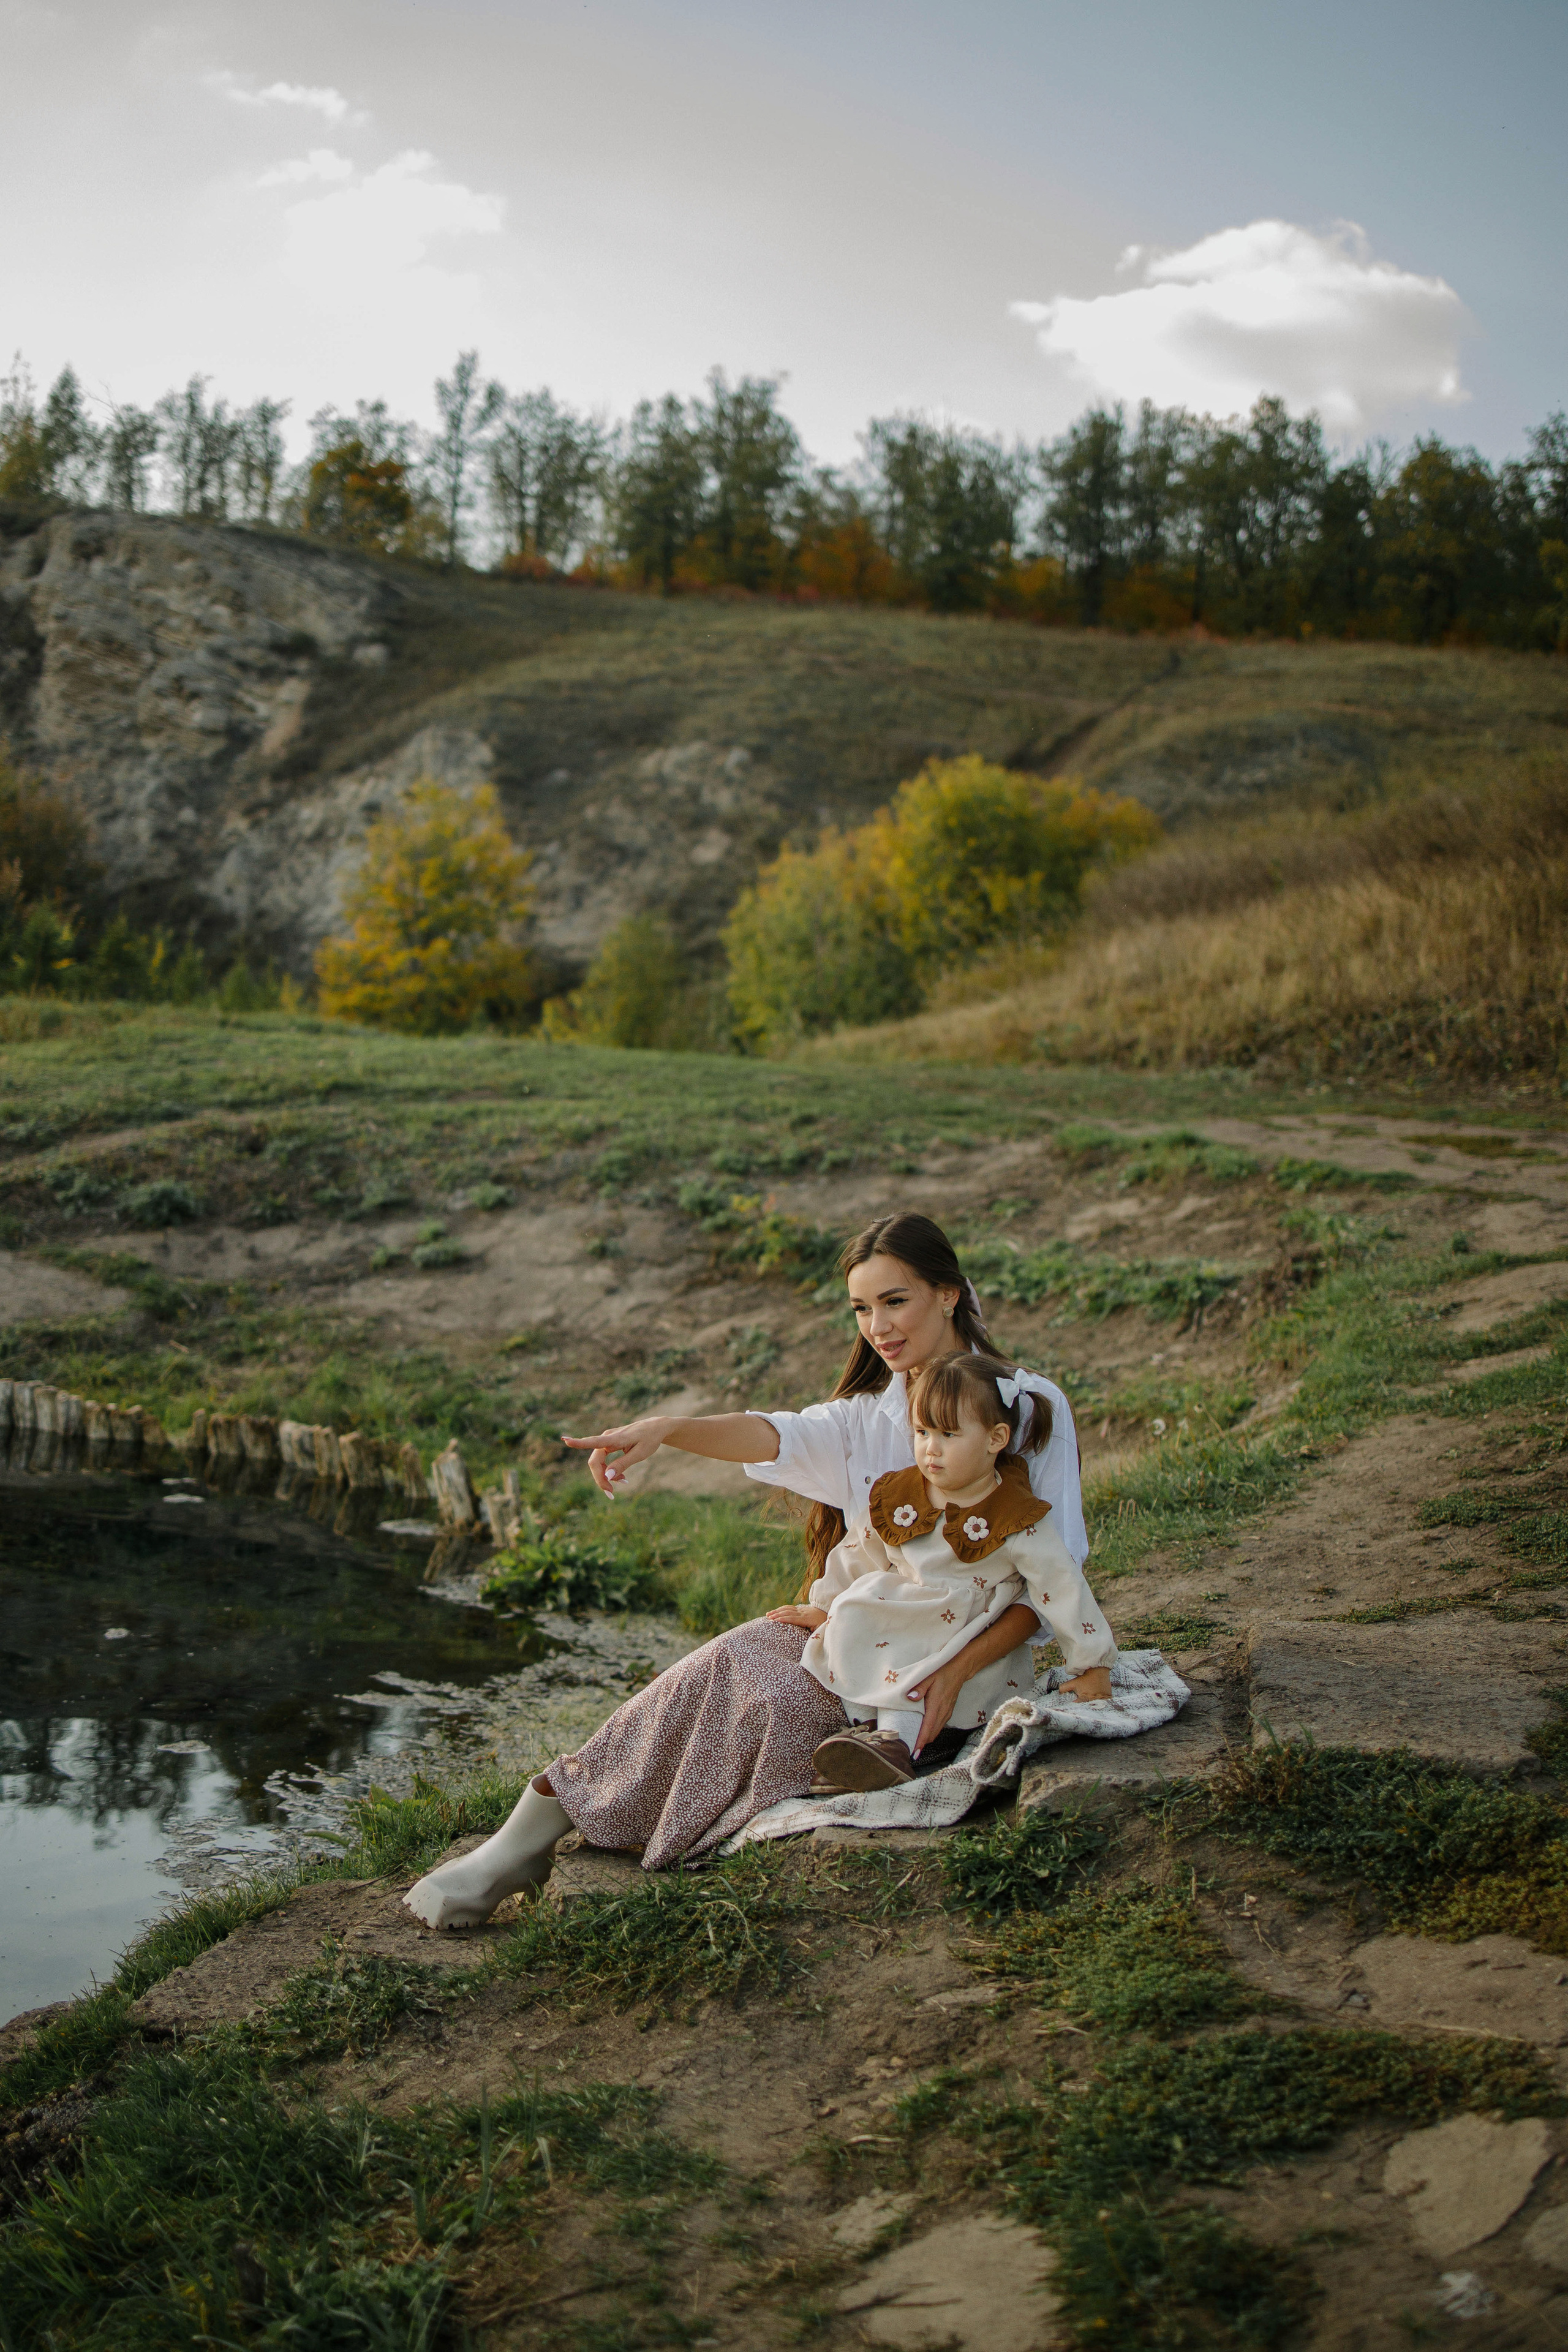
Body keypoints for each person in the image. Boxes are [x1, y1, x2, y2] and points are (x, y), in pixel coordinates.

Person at [402, 1210, 1092, 1931]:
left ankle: (567, 1828)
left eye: (895, 1301)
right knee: (730, 1658)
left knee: (764, 1709)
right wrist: (668, 1430)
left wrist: (952, 1673)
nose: (878, 1327)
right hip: (865, 1641)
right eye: (861, 1308)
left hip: (954, 1667)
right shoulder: (869, 1418)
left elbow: (1053, 1580)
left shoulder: (1026, 1404)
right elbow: (773, 1433)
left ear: (949, 1294)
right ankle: (533, 1824)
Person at [772, 1349, 1114, 1793]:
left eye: (948, 1434)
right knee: (856, 1613)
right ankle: (867, 1734)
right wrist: (825, 1605)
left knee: (918, 1648)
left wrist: (1091, 1664)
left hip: (963, 1630)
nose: (930, 1448)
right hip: (899, 1616)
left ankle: (895, 1744)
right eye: (922, 1431)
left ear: (995, 1439)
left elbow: (1061, 1586)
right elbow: (859, 1549)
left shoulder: (1015, 1513)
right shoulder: (902, 1490)